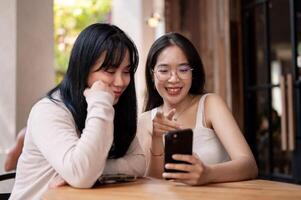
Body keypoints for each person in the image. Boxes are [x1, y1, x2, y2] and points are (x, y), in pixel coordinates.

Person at [9, 23, 146, 200]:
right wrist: (100, 102)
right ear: (83, 68)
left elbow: (139, 163)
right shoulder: (49, 111)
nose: (120, 81)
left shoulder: (113, 108)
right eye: (110, 70)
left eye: (126, 71)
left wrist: (97, 169)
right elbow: (83, 175)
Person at [137, 32, 258, 185]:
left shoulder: (210, 104)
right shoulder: (145, 120)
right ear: (152, 74)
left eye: (183, 69)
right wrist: (156, 139)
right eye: (164, 70)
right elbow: (153, 184)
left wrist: (208, 173)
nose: (174, 78)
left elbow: (249, 166)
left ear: (193, 73)